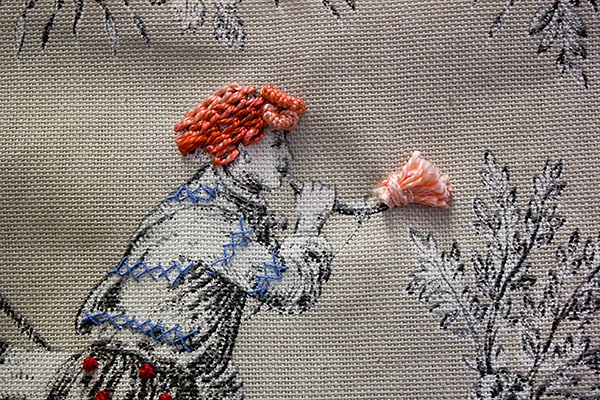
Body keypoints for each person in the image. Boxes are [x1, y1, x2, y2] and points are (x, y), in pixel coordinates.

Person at [43, 86, 337, 400]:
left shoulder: (213, 203)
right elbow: (287, 288)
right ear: (234, 148)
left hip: (170, 378)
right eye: (276, 144)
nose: (287, 157)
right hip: (141, 384)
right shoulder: (206, 219)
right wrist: (309, 225)